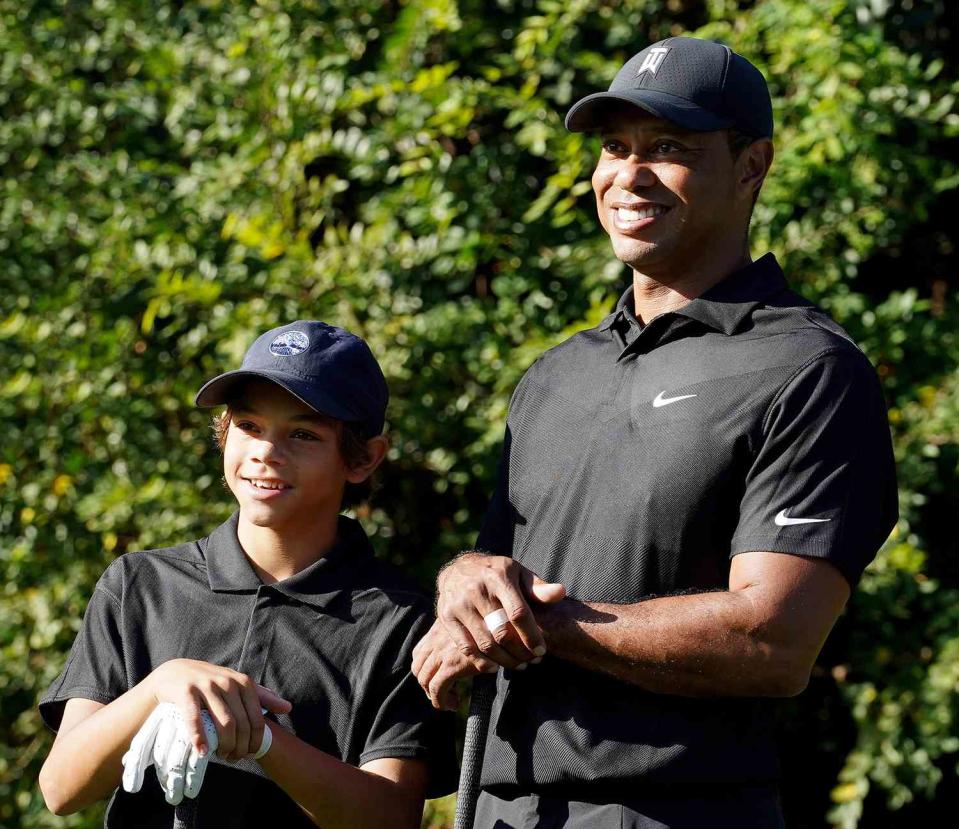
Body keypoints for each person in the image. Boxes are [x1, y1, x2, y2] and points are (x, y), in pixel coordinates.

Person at [411, 36, 898, 827]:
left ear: (752, 166)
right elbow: (498, 575)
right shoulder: (554, 375)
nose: (626, 176)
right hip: (501, 808)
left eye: (667, 147)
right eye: (613, 147)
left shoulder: (808, 368)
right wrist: (461, 581)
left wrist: (534, 626)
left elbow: (772, 639)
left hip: (675, 811)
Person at [39, 320, 455, 828]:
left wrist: (262, 740)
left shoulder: (404, 619)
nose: (265, 452)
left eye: (302, 434)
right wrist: (159, 688)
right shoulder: (139, 585)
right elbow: (60, 788)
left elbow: (391, 816)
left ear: (364, 458)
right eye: (248, 426)